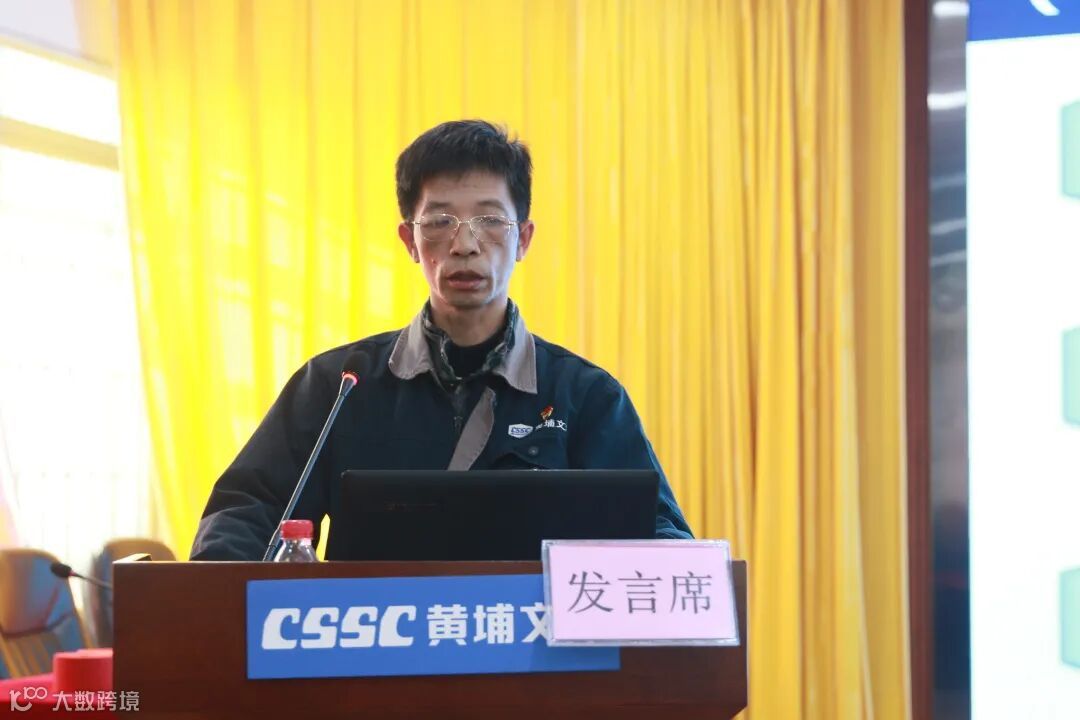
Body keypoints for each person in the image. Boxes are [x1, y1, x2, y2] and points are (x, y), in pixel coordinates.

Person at [191, 120, 692, 560]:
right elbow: (246, 511)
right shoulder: (339, 385)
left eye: (490, 221)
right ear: (410, 241)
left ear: (523, 239)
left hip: (527, 640)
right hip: (376, 638)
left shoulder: (585, 396)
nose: (465, 245)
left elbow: (660, 535)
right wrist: (218, 594)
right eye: (439, 222)